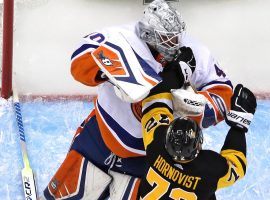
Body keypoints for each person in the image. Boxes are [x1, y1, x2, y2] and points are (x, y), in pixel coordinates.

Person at [43, 0, 233, 199]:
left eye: (176, 38)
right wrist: (113, 71)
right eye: (166, 39)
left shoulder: (195, 52)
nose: (174, 44)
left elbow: (223, 93)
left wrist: (190, 105)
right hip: (99, 139)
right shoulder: (120, 37)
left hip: (150, 158)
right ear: (149, 33)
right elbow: (79, 59)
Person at [138, 83, 257, 200]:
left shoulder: (156, 143)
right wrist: (238, 125)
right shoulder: (210, 170)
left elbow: (154, 105)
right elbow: (237, 165)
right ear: (199, 144)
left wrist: (175, 72)